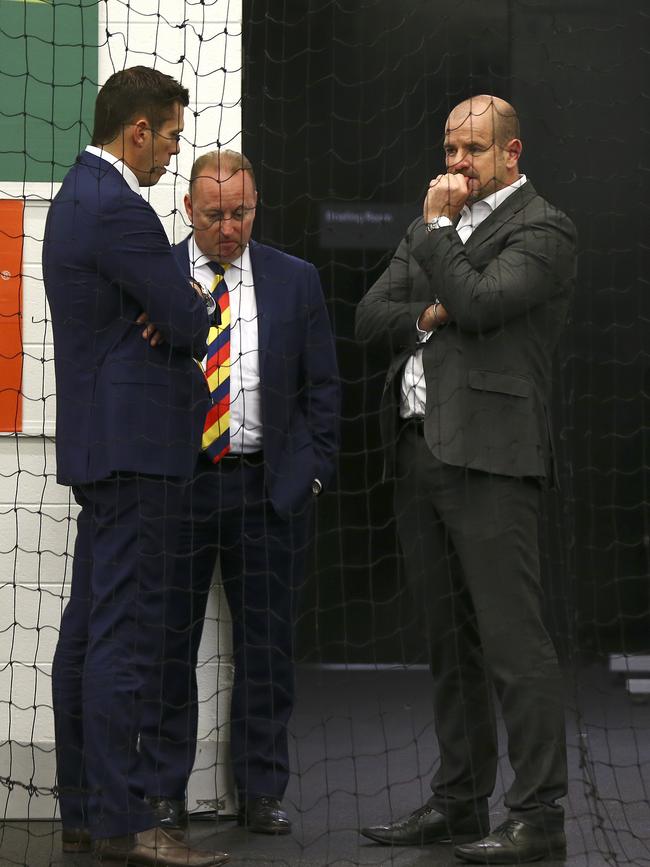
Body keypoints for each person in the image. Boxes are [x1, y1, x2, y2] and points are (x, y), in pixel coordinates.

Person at [355, 95, 576, 864]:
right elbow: (371, 316)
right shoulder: (434, 225)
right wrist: (432, 309)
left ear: (511, 154)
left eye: (472, 150)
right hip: (419, 453)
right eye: (450, 148)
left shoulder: (543, 226)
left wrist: (442, 239)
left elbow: (482, 305)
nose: (455, 164)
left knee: (515, 647)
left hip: (493, 457)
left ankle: (539, 813)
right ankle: (458, 802)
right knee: (448, 647)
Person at [44, 66, 228, 866]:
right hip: (137, 451)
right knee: (121, 639)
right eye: (172, 140)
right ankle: (125, 820)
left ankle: (87, 809)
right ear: (139, 130)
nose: (170, 157)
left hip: (103, 449)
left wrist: (166, 305)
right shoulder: (119, 209)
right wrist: (178, 303)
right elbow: (191, 316)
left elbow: (167, 311)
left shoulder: (76, 196)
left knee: (87, 631)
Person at [136, 150, 341, 836]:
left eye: (243, 211)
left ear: (258, 205)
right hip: (177, 487)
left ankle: (261, 791)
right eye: (217, 213)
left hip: (266, 489)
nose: (231, 226)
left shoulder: (295, 280)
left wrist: (309, 474)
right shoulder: (154, 276)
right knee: (168, 646)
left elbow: (323, 390)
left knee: (267, 649)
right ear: (189, 209)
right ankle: (162, 789)